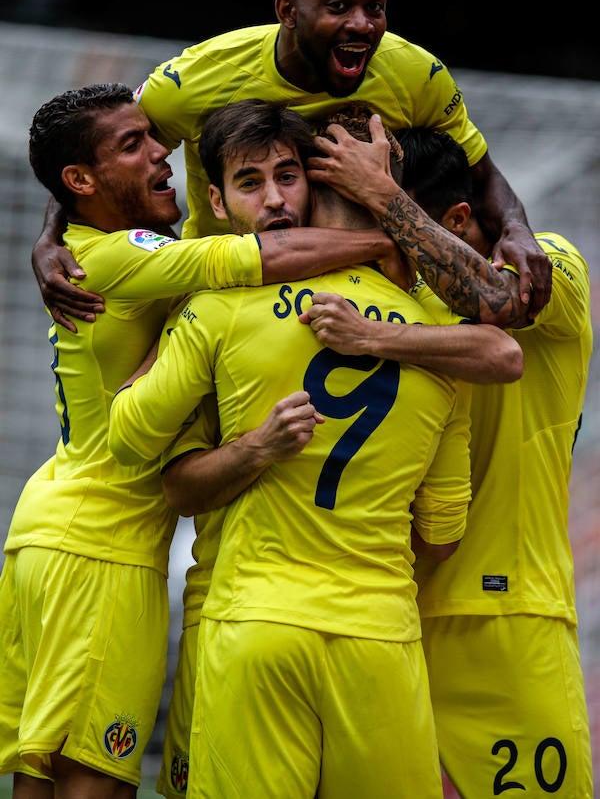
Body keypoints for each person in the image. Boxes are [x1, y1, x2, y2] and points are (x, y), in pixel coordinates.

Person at [0, 83, 425, 798]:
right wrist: (395, 227)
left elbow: (92, 184)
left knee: (41, 778)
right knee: (94, 783)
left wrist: (49, 231)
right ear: (80, 181)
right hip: (105, 543)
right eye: (134, 145)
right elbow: (254, 257)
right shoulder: (132, 255)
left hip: (55, 528)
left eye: (152, 136)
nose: (161, 153)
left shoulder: (87, 246)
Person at [108, 99, 523, 799]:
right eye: (254, 182)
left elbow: (129, 441)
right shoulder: (444, 340)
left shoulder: (221, 301)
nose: (274, 196)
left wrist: (249, 443)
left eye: (287, 175)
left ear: (312, 180)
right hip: (379, 635)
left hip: (255, 621)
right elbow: (442, 531)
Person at [30, 0, 552, 333]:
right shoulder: (195, 80)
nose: (362, 24)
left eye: (376, 6)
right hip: (230, 291)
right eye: (338, 4)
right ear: (288, 10)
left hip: (370, 291)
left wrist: (517, 228)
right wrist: (51, 234)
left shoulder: (417, 74)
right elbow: (96, 157)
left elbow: (482, 173)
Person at [303, 121, 594, 797]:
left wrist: (385, 198)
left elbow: (501, 307)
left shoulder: (551, 265)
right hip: (383, 622)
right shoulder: (388, 294)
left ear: (457, 217)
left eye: (390, 225)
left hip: (506, 618)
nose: (377, 248)